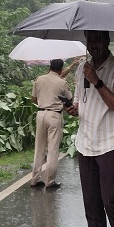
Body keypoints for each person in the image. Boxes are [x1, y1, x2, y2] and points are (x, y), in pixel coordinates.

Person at [66, 30, 114, 227]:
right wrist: (72, 108)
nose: (93, 44)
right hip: (85, 144)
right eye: (90, 39)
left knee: (111, 204)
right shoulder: (80, 69)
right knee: (93, 210)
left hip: (110, 145)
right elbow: (79, 103)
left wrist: (96, 81)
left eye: (98, 39)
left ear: (107, 40)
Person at [29, 59, 73, 189]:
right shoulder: (62, 82)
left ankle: (35, 180)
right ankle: (49, 181)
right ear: (61, 69)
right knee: (53, 149)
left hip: (40, 114)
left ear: (50, 67)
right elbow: (69, 99)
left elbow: (33, 99)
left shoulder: (39, 79)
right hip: (54, 115)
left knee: (39, 148)